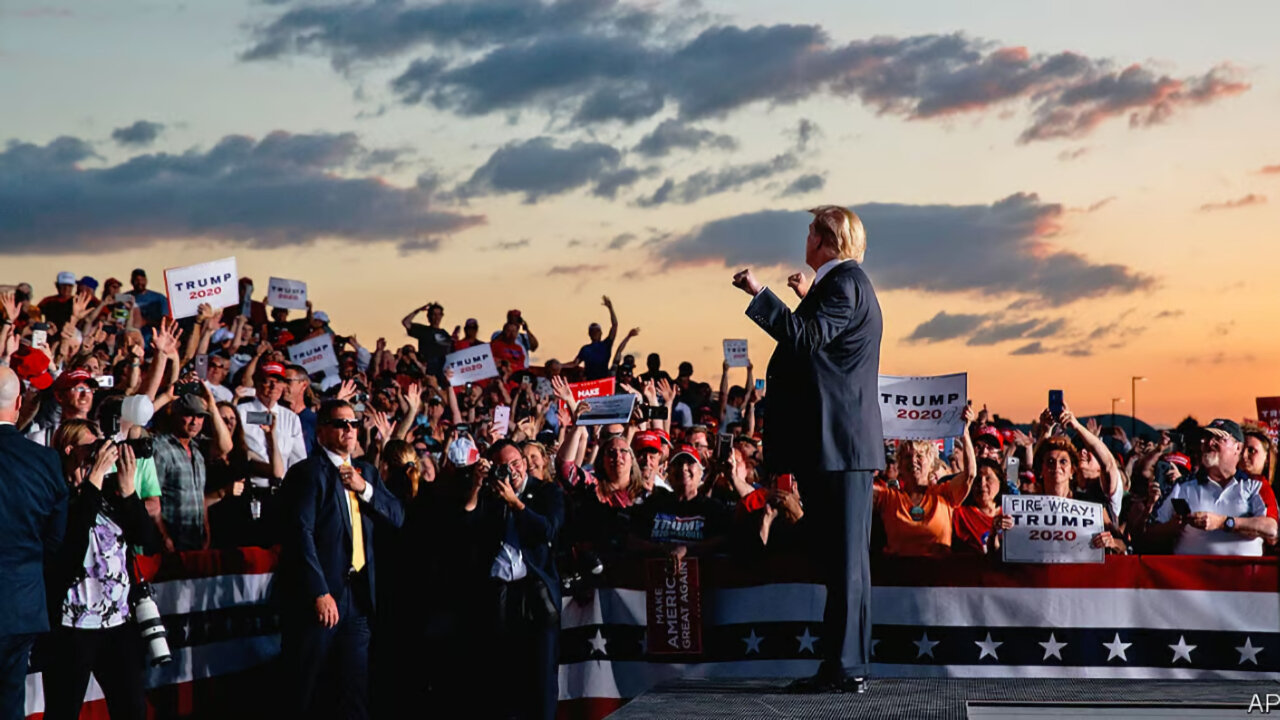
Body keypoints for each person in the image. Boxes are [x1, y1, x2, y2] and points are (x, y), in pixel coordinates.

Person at [732, 204, 883, 694]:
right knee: (845, 562)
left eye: (811, 231)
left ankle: (844, 666)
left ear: (826, 240)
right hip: (839, 446)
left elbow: (807, 338)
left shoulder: (844, 285)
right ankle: (845, 663)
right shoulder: (843, 285)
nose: (805, 237)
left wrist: (762, 295)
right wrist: (806, 296)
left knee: (845, 563)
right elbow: (822, 345)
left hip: (840, 446)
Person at [276, 399, 405, 719]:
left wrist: (365, 490)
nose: (349, 429)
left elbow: (398, 516)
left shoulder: (368, 472)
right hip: (319, 598)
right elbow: (299, 535)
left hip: (358, 597)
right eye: (340, 423)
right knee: (303, 686)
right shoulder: (307, 472)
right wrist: (319, 592)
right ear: (321, 431)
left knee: (354, 689)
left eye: (354, 423)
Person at [44, 422, 154, 720]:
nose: (100, 453)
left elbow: (146, 538)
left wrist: (129, 490)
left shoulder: (107, 495)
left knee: (132, 709)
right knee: (63, 710)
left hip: (116, 622)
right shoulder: (56, 495)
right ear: (69, 450)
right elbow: (71, 551)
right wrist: (92, 480)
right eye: (91, 447)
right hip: (72, 626)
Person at [461, 440, 564, 720]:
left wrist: (516, 503)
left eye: (516, 463)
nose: (512, 470)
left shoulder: (546, 491)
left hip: (536, 597)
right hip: (498, 596)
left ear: (525, 462)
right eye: (504, 466)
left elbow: (548, 530)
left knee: (541, 681)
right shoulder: (489, 495)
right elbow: (466, 525)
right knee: (504, 682)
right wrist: (476, 486)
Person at [0, 366, 68, 720]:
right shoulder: (44, 461)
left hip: (22, 601)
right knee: (11, 704)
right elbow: (56, 539)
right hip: (22, 603)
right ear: (19, 403)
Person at [1141, 419, 1278, 555]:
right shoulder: (1182, 485)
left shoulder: (1255, 485)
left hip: (1241, 575)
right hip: (1189, 575)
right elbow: (1147, 534)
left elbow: (1271, 528)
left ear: (1238, 448)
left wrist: (1223, 522)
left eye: (1218, 438)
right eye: (1206, 438)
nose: (1208, 442)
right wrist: (1172, 527)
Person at [872, 406, 977, 556]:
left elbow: (970, 475)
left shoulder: (945, 494)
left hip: (938, 575)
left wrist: (964, 432)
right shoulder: (888, 497)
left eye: (920, 456)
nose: (913, 461)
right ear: (900, 465)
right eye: (907, 457)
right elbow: (859, 491)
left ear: (932, 462)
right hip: (899, 575)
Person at [237, 362, 307, 489]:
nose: (274, 386)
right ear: (257, 383)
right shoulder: (241, 412)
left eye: (279, 381)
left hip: (282, 491)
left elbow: (298, 461)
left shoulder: (291, 418)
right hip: (249, 489)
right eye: (268, 381)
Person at [569, 296, 617, 380]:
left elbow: (614, 326)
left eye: (597, 331)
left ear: (601, 333)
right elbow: (574, 363)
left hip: (603, 380)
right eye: (592, 331)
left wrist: (610, 308)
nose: (595, 333)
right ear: (589, 334)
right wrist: (560, 365)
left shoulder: (606, 344)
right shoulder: (585, 349)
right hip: (589, 381)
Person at [401, 302, 452, 379]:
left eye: (439, 314)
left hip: (443, 370)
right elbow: (406, 322)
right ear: (429, 316)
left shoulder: (444, 333)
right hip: (428, 369)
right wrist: (419, 310)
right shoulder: (424, 330)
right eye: (434, 314)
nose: (437, 317)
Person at [125, 268, 169, 340]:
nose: (139, 283)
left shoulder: (159, 297)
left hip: (153, 340)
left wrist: (147, 321)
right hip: (132, 339)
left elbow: (167, 321)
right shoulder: (125, 297)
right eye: (136, 280)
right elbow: (119, 317)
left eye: (142, 280)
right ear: (131, 282)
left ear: (146, 280)